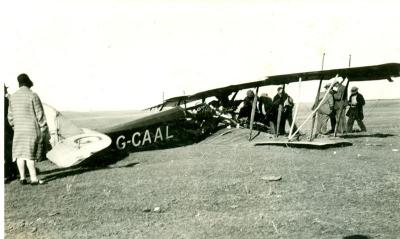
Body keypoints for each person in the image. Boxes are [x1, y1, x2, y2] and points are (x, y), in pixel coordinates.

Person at [8, 74, 48, 185]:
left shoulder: (13, 97)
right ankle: (34, 179)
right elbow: (39, 114)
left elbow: (10, 117)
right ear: (28, 82)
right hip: (31, 130)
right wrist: (43, 127)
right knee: (30, 154)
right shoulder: (33, 95)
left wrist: (15, 127)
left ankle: (22, 178)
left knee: (19, 154)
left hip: (18, 130)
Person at [4, 84, 18, 183]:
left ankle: (9, 174)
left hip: (6, 130)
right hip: (7, 130)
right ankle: (12, 173)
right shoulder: (6, 101)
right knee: (9, 153)